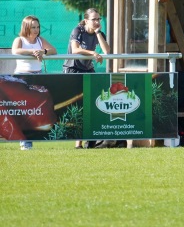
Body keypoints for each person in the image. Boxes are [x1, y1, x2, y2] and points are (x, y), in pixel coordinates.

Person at [63, 8, 110, 149]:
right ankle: (78, 143)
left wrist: (97, 32)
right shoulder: (78, 30)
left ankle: (90, 139)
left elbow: (107, 51)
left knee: (92, 104)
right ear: (86, 20)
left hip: (88, 69)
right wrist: (93, 53)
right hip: (73, 69)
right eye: (94, 19)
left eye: (99, 19)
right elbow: (75, 49)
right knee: (77, 106)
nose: (97, 22)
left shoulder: (99, 33)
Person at [11, 15, 57, 150]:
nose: (36, 30)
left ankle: (34, 137)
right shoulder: (19, 40)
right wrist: (33, 51)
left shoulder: (40, 40)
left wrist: (43, 51)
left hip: (38, 77)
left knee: (37, 111)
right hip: (21, 77)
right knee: (23, 111)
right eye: (33, 27)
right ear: (26, 27)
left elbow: (54, 50)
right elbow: (16, 51)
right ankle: (24, 142)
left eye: (37, 27)